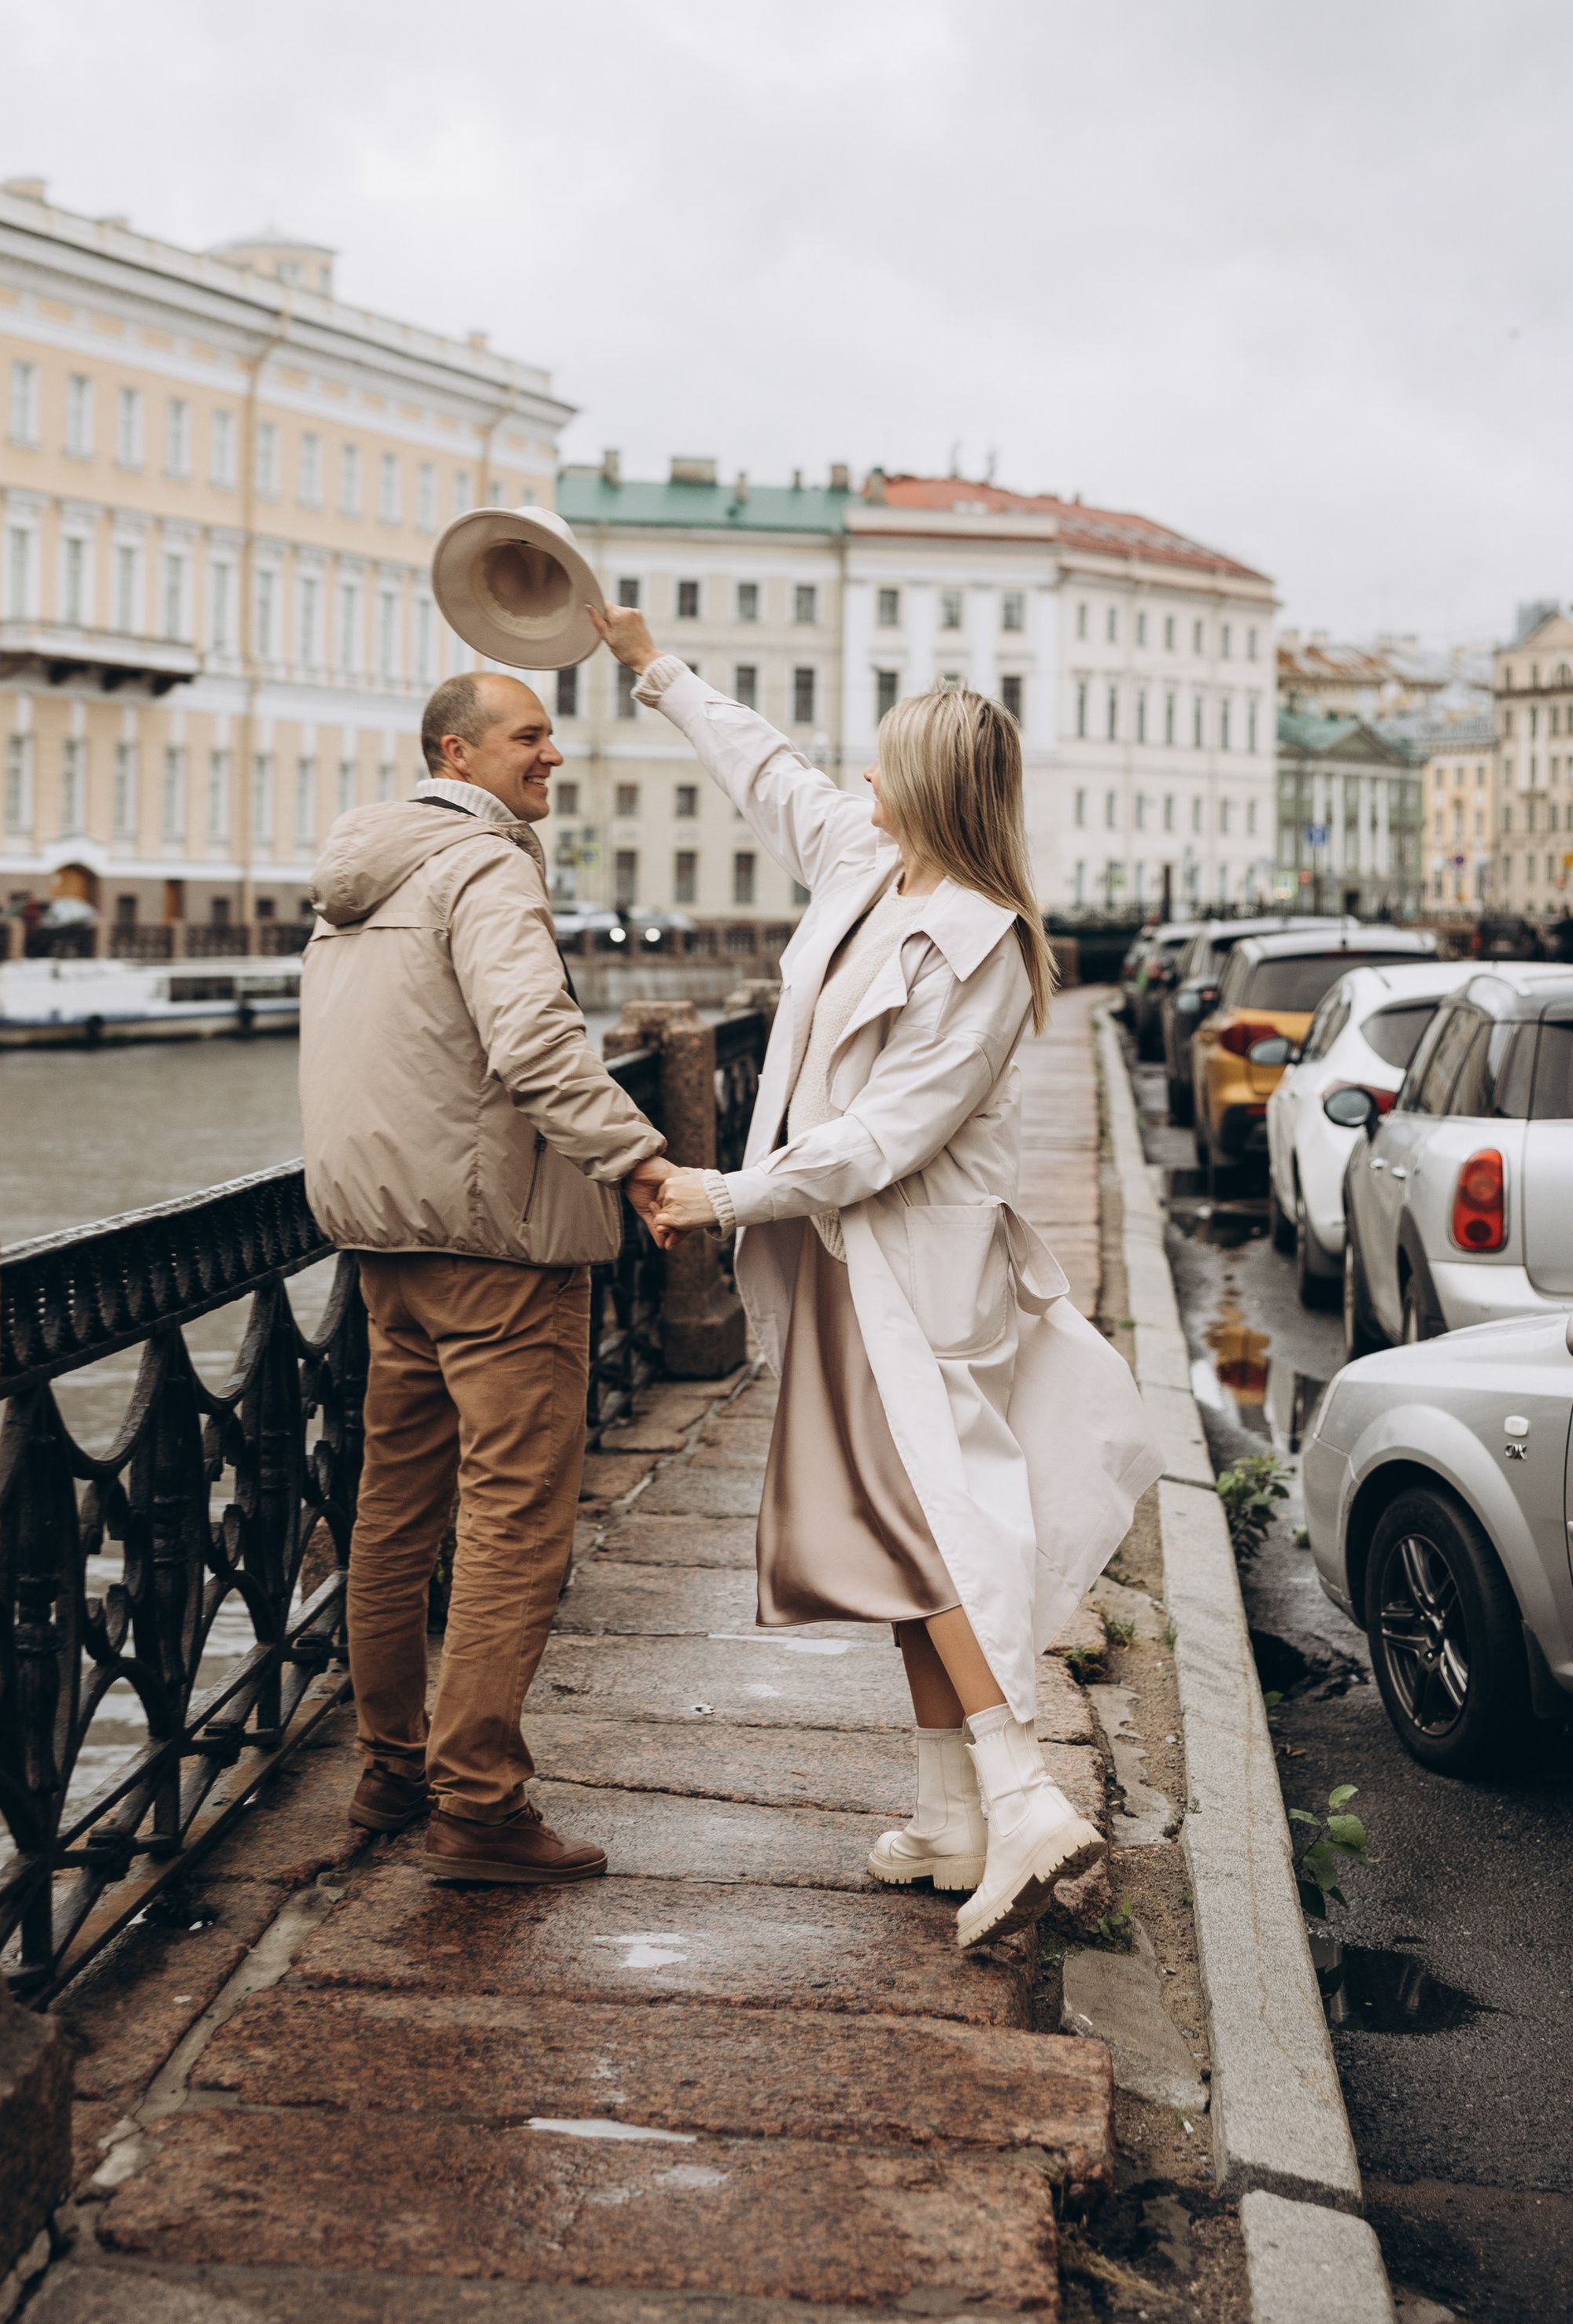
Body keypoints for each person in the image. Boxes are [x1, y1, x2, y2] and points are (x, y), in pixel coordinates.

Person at [590, 603, 1161, 1951]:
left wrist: (721, 1188)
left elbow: (885, 1138)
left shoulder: (987, 950)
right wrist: (656, 669)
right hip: (846, 1263)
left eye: (888, 765)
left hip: (914, 1267)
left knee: (932, 1531)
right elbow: (768, 770)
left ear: (933, 793)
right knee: (898, 1537)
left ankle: (1021, 1799)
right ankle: (951, 1818)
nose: (861, 780)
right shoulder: (867, 861)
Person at [300, 669, 673, 1886]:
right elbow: (532, 1043)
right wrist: (640, 1159)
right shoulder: (486, 866)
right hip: (498, 1247)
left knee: (394, 1510)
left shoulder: (359, 879)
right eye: (530, 735)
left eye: (552, 733)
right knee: (514, 1519)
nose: (552, 753)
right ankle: (482, 1808)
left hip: (385, 1241)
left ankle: (390, 1769)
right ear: (456, 753)